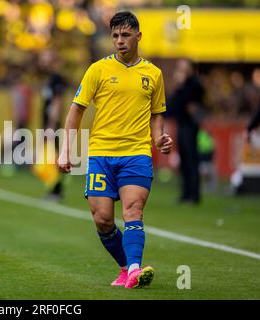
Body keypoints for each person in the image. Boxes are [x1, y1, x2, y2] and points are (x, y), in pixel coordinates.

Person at [57, 11, 173, 289]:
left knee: (133, 211)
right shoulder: (97, 70)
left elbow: (157, 113)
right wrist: (65, 151)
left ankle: (134, 270)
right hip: (101, 154)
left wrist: (158, 139)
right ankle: (125, 267)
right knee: (103, 219)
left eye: (125, 35)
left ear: (138, 36)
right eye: (115, 36)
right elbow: (76, 111)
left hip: (136, 153)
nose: (120, 41)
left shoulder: (153, 74)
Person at [169, 58, 205, 204]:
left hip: (190, 125)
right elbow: (172, 104)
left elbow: (191, 103)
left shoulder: (194, 84)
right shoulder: (181, 85)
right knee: (183, 160)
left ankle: (194, 195)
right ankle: (185, 193)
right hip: (181, 123)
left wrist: (181, 86)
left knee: (191, 160)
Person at [39, 49, 67, 201]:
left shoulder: (56, 78)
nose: (42, 61)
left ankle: (57, 191)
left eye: (45, 57)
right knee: (50, 157)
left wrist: (51, 125)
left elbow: (58, 102)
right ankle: (53, 189)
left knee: (54, 157)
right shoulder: (49, 78)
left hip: (53, 125)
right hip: (49, 124)